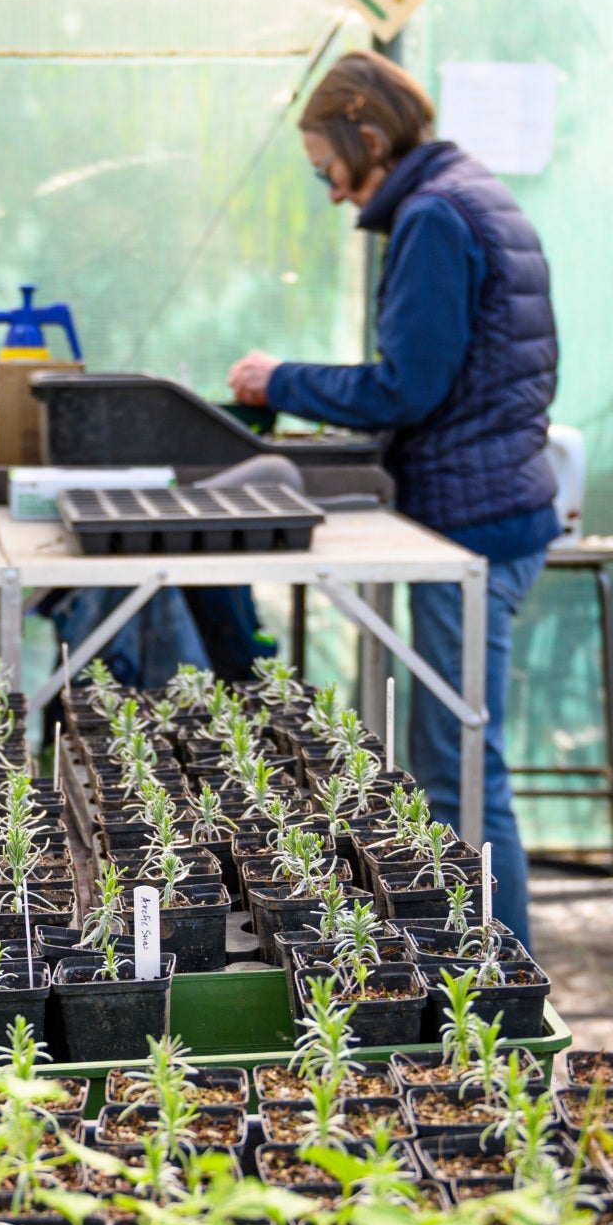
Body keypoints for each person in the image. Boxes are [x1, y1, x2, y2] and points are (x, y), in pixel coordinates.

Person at [226, 51, 558, 950]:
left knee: (460, 776)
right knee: (454, 761)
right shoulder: (460, 193)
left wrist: (278, 380)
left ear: (367, 136)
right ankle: (469, 970)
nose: (331, 190)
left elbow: (408, 386)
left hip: (472, 527)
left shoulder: (434, 215)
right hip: (490, 506)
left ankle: (497, 990)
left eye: (325, 166)